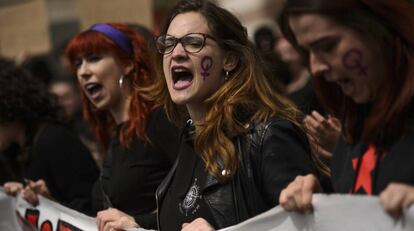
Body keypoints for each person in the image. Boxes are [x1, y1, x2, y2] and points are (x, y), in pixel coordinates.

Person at [150, 1, 329, 230]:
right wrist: (136, 223)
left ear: (229, 59)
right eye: (169, 43)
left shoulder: (267, 135)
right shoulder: (189, 137)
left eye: (193, 42)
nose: (176, 53)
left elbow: (308, 226)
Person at [277, 0, 414, 218]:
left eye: (327, 47)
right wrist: (322, 200)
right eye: (307, 52)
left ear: (380, 27)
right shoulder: (356, 123)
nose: (316, 67)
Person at [64, 22, 180, 230]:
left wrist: (138, 222)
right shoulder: (115, 134)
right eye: (78, 64)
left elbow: (198, 198)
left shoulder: (160, 120)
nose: (83, 72)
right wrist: (46, 201)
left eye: (94, 58)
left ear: (127, 64)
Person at [0, 58, 99, 215]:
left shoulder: (54, 140)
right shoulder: (16, 151)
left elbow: (91, 210)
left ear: (6, 107)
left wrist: (50, 202)